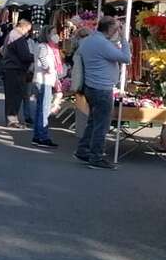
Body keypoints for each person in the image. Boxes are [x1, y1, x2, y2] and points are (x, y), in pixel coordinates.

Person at [75, 16, 131, 170]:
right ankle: (96, 157)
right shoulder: (101, 43)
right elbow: (126, 58)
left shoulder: (90, 40)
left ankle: (83, 150)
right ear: (111, 29)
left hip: (91, 86)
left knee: (94, 122)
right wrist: (124, 39)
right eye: (116, 27)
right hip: (101, 88)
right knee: (101, 125)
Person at [31, 29, 63, 148]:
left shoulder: (42, 46)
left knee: (41, 110)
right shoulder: (44, 46)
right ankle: (42, 137)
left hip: (42, 80)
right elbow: (42, 58)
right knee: (44, 110)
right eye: (53, 32)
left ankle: (38, 135)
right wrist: (48, 68)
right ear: (47, 34)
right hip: (44, 80)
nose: (56, 35)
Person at [1, 19, 33, 128]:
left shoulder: (12, 34)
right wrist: (35, 57)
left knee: (12, 95)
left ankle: (12, 119)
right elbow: (24, 55)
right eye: (28, 30)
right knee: (15, 95)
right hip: (15, 69)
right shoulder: (18, 36)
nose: (27, 32)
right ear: (24, 27)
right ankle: (12, 120)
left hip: (10, 68)